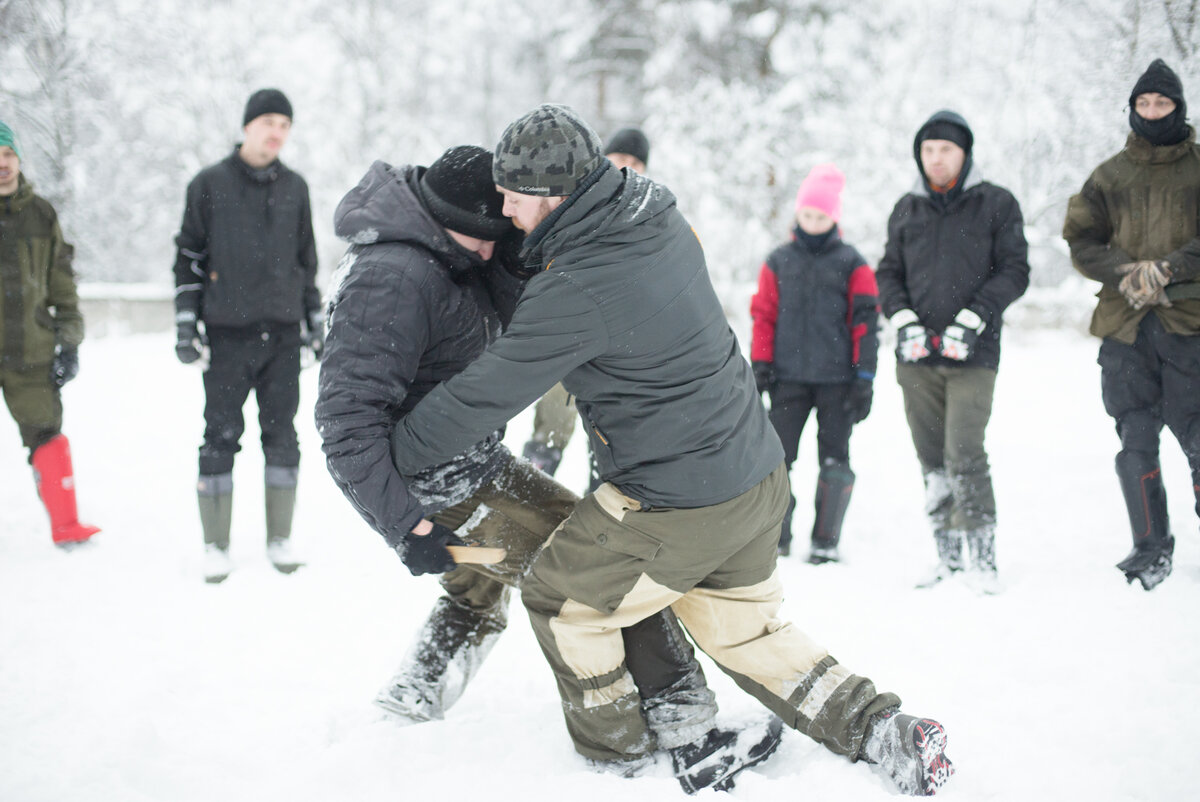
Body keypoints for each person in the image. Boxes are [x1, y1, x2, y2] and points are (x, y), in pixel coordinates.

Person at [391, 104, 954, 796]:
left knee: (561, 597)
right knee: (744, 633)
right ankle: (881, 730)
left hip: (679, 498)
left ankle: (621, 755)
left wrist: (393, 446)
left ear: (553, 196)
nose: (502, 209)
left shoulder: (577, 288)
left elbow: (485, 393)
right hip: (754, 477)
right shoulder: (654, 217)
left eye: (512, 195)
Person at [315, 145, 777, 794]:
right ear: (439, 217)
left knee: (475, 591)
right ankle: (688, 732)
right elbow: (345, 426)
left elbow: (501, 306)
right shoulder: (390, 278)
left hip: (473, 465)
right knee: (605, 575)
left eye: (493, 237)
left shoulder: (448, 253)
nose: (485, 251)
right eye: (477, 239)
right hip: (442, 488)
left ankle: (409, 704)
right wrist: (408, 528)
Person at [876, 109, 1030, 591]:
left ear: (965, 154)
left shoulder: (996, 203)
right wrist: (903, 320)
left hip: (974, 355)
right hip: (917, 358)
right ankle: (947, 555)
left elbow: (1015, 270)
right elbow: (887, 273)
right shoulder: (907, 208)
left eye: (946, 149)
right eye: (928, 150)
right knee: (931, 457)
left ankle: (982, 557)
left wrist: (974, 318)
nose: (936, 159)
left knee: (964, 449)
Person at [172, 89, 322, 583]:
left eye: (285, 123)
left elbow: (307, 262)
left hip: (281, 336)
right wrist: (185, 322)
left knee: (283, 436)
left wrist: (314, 322)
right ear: (247, 127)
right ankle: (216, 545)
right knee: (219, 436)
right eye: (268, 122)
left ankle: (279, 539)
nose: (276, 131)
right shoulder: (209, 184)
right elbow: (188, 258)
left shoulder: (296, 188)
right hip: (228, 336)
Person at [1063, 59, 1200, 591]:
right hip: (1126, 330)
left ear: (1178, 107)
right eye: (1143, 103)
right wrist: (1126, 271)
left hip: (1190, 326)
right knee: (1135, 441)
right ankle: (1151, 549)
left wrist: (1170, 267)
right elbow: (1079, 239)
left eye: (1161, 103)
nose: (1151, 111)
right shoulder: (1110, 174)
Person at [750, 163, 879, 562]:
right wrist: (761, 364)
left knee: (835, 459)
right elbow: (764, 315)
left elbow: (866, 322)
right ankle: (778, 535)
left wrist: (865, 376)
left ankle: (826, 540)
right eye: (807, 214)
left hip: (837, 382)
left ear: (834, 217)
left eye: (821, 216)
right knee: (776, 460)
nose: (812, 221)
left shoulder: (853, 264)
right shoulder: (778, 261)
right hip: (788, 379)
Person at [520, 127, 651, 484]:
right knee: (552, 426)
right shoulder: (577, 200)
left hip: (617, 342)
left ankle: (599, 512)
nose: (628, 166)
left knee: (608, 438)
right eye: (621, 157)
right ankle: (527, 493)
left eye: (637, 162)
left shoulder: (645, 214)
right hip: (567, 330)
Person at [0, 121, 100, 547]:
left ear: (18, 158)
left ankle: (66, 526)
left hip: (31, 351)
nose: (2, 164)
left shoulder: (41, 214)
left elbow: (62, 282)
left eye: (7, 154)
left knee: (46, 435)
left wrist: (70, 340)